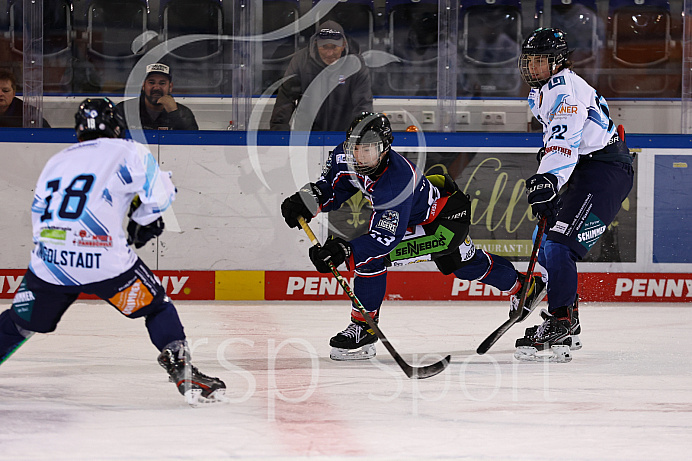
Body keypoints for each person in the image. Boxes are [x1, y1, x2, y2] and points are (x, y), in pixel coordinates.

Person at [0, 97, 225, 404]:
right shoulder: (129, 150)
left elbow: (40, 210)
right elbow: (161, 195)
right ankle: (178, 363)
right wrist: (142, 222)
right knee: (156, 306)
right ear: (117, 126)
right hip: (104, 260)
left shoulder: (58, 159)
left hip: (50, 261)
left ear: (79, 131)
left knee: (20, 323)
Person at [280, 112, 544, 360]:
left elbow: (383, 240)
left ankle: (364, 327)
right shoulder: (344, 156)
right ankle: (524, 287)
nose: (360, 157)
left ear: (384, 150)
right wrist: (309, 199)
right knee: (464, 264)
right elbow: (333, 187)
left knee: (373, 260)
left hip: (441, 225)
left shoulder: (397, 180)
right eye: (355, 149)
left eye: (368, 151)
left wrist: (345, 252)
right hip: (421, 216)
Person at [515, 28, 634, 360]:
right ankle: (567, 315)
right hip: (587, 167)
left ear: (558, 62)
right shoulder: (543, 92)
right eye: (530, 61)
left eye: (541, 61)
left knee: (558, 245)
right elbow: (560, 138)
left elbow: (564, 140)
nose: (533, 67)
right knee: (548, 239)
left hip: (605, 170)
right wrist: (550, 176)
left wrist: (549, 179)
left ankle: (562, 319)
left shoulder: (563, 90)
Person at [270, 20, 373, 132]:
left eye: (334, 47)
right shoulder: (300, 61)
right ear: (316, 43)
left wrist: (362, 134)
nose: (329, 53)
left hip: (343, 135)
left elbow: (363, 104)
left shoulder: (355, 65)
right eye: (324, 47)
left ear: (343, 45)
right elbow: (285, 99)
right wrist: (279, 133)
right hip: (306, 135)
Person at [116, 63, 198, 131]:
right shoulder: (124, 110)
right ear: (143, 85)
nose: (156, 87)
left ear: (170, 87)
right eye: (151, 82)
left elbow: (193, 144)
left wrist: (174, 113)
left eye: (162, 83)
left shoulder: (183, 113)